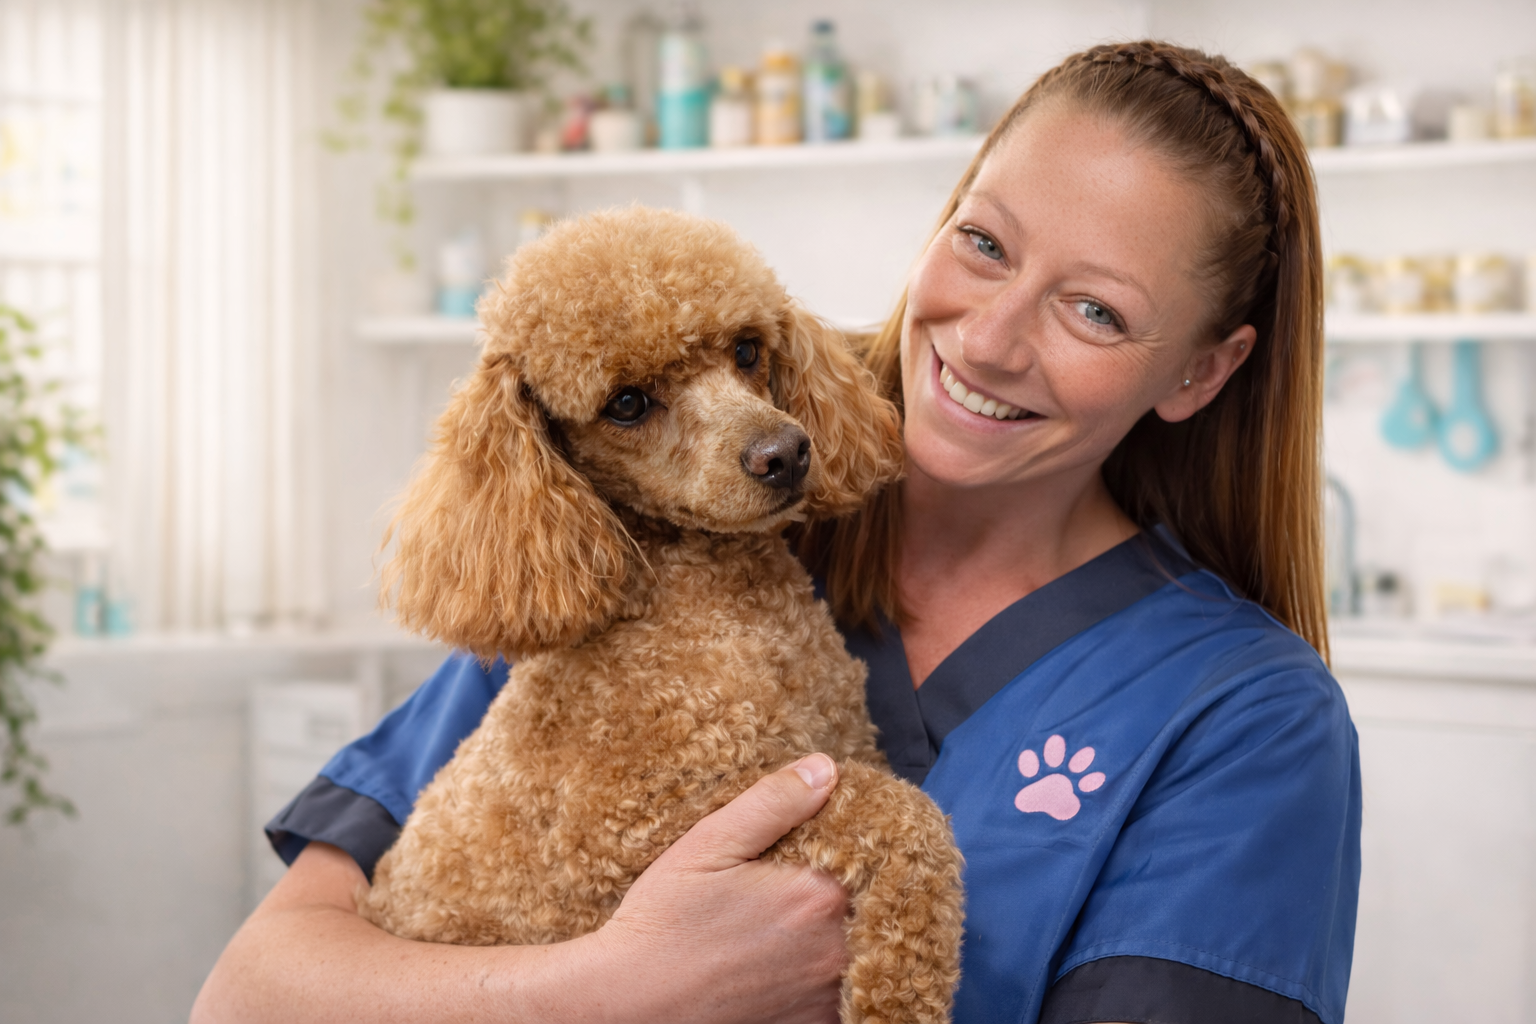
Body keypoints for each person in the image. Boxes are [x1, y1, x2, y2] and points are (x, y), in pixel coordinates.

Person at [192, 40, 1359, 1024]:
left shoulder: (1240, 716)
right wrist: (618, 982)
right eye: (984, 242)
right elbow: (251, 992)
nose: (991, 338)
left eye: (1096, 310)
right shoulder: (639, 534)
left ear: (1201, 371)